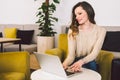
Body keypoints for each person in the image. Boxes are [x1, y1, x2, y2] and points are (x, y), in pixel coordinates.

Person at [62, 1, 106, 72]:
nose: (77, 17)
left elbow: (94, 53)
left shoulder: (101, 31)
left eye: (80, 13)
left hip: (90, 61)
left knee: (91, 64)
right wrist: (63, 65)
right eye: (75, 15)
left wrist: (81, 62)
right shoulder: (72, 30)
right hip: (75, 61)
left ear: (88, 12)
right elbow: (71, 56)